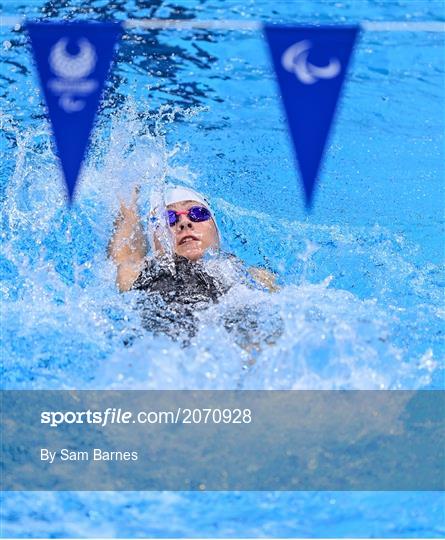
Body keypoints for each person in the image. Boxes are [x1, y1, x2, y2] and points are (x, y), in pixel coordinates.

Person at [108, 184, 278, 341]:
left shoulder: (255, 278)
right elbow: (126, 240)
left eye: (198, 213)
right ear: (154, 240)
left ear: (216, 231)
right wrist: (129, 189)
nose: (184, 222)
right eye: (169, 218)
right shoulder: (135, 273)